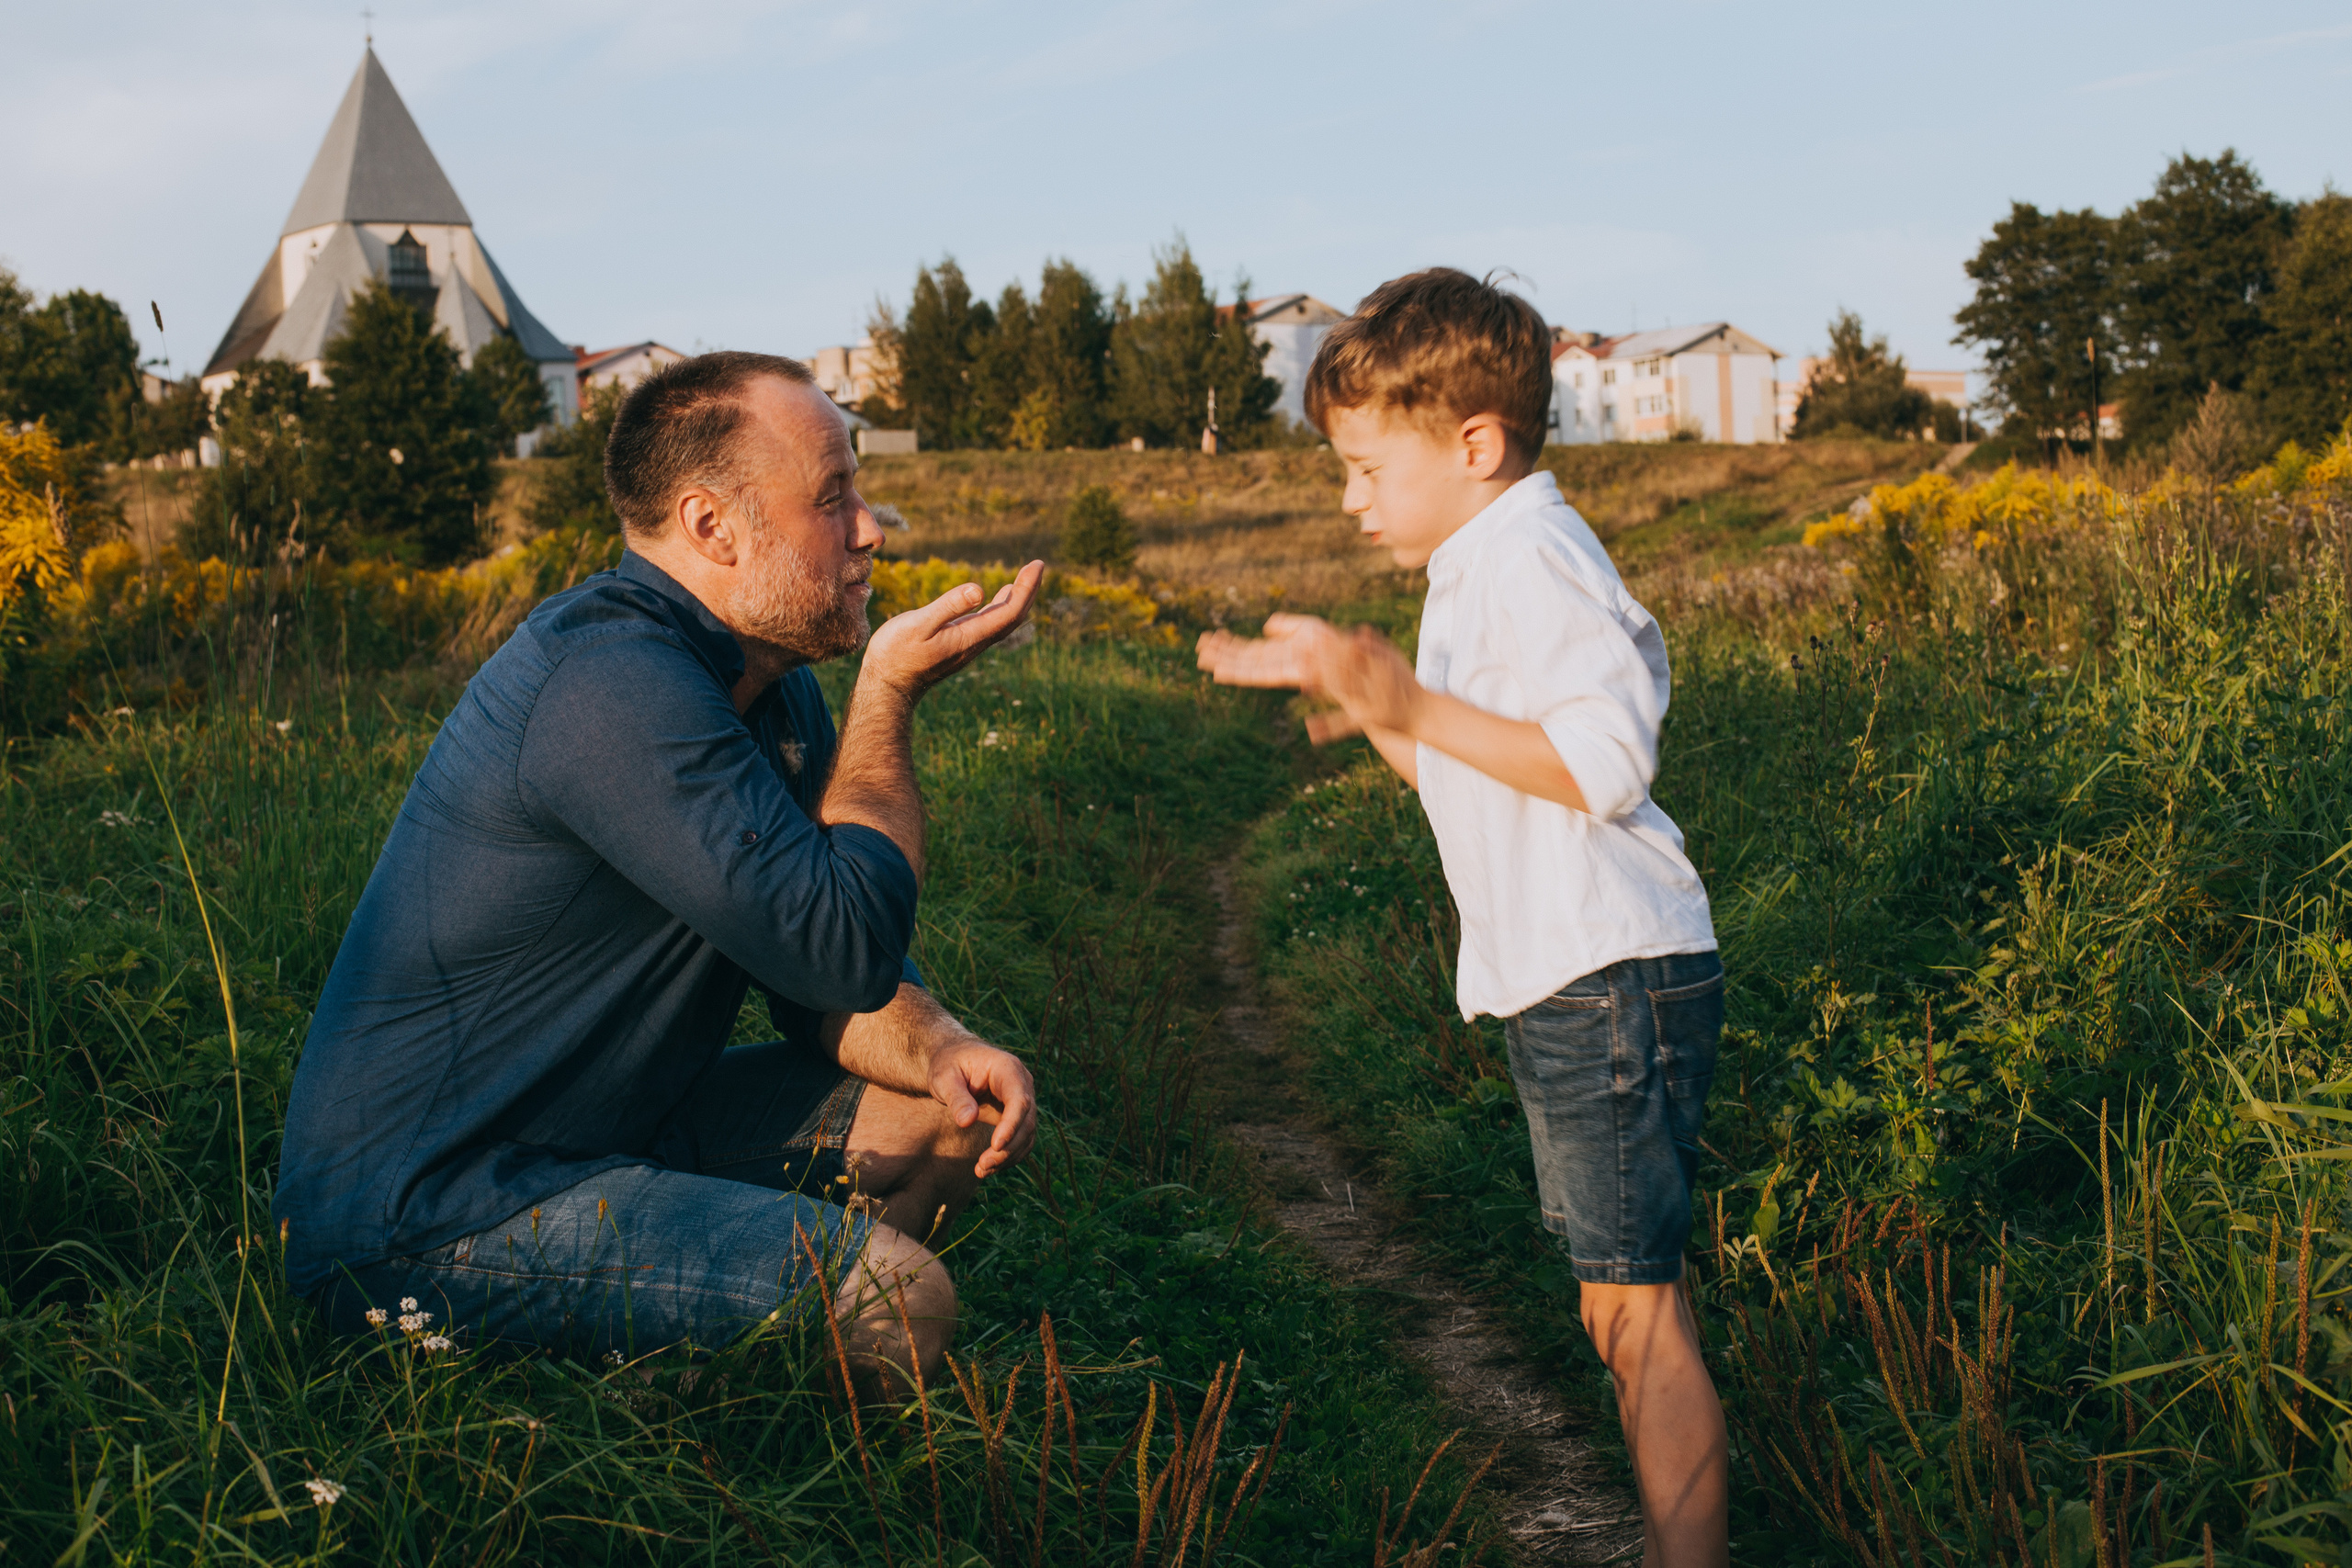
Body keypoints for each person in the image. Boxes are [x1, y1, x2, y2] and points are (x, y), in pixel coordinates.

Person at [275, 351, 1045, 1393]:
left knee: (941, 1116)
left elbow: (819, 980)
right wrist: (888, 699)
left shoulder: (765, 684)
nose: (869, 529)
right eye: (832, 497)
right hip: (435, 1209)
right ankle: (717, 1426)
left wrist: (942, 1043)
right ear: (711, 525)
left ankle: (732, 1375)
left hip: (614, 1129)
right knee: (900, 1301)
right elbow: (840, 942)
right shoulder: (609, 685)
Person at [1197, 270, 1729, 1566]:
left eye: (1368, 468)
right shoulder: (1479, 561)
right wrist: (1372, 701)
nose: (1352, 497)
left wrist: (1410, 702)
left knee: (1637, 1317)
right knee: (1617, 1310)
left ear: (1476, 444)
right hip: (1573, 976)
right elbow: (1461, 767)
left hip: (1610, 971)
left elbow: (1606, 763)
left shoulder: (1533, 559)